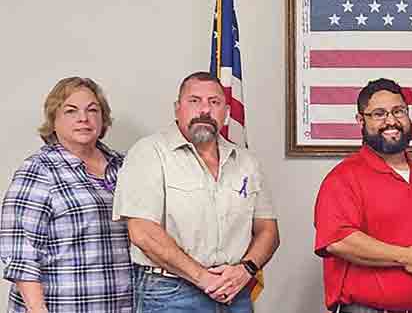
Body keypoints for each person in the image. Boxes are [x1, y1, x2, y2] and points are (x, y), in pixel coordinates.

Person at [112, 72, 280, 312]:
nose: (205, 110)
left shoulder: (247, 162)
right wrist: (203, 278)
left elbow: (268, 230)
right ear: (177, 108)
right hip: (170, 293)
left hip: (235, 291)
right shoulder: (149, 153)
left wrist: (246, 270)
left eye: (214, 102)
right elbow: (143, 233)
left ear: (227, 112)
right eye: (194, 101)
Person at [313, 78, 412, 313]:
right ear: (361, 120)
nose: (391, 121)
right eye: (379, 114)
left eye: (398, 111)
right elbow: (338, 241)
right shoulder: (343, 178)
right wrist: (404, 257)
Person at [0, 77, 132, 313]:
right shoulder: (39, 170)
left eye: (93, 110)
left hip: (122, 305)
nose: (84, 118)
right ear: (53, 120)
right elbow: (20, 252)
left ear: (103, 120)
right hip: (62, 306)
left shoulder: (125, 166)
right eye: (71, 111)